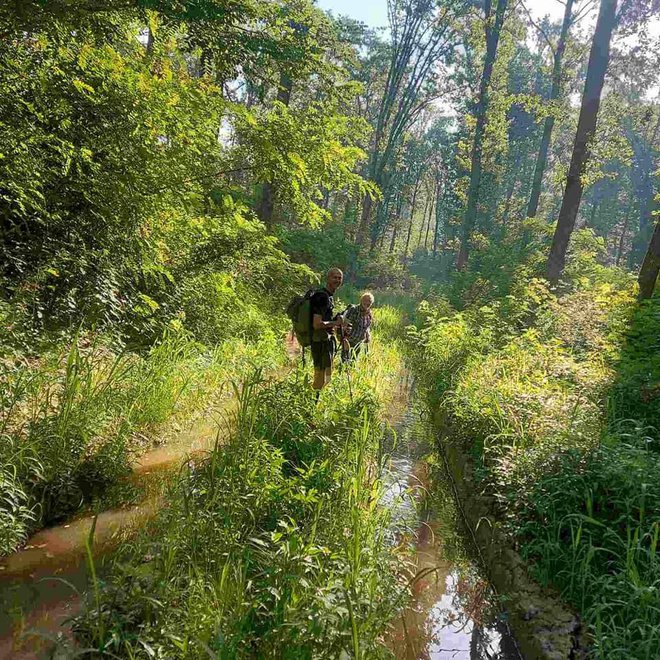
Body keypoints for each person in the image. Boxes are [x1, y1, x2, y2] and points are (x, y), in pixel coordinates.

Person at [310, 267, 345, 396]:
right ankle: (311, 404)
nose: (337, 280)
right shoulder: (322, 297)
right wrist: (336, 323)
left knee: (326, 376)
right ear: (328, 278)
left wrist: (336, 320)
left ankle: (314, 399)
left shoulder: (329, 296)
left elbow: (325, 319)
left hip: (325, 341)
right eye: (334, 277)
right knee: (320, 375)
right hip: (319, 342)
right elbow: (317, 324)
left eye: (339, 278)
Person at [340, 291, 374, 363]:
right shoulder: (354, 310)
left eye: (369, 301)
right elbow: (344, 325)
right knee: (345, 362)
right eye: (365, 300)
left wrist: (368, 335)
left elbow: (367, 327)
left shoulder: (369, 314)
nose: (367, 303)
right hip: (349, 340)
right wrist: (344, 339)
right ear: (361, 300)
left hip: (358, 342)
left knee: (353, 362)